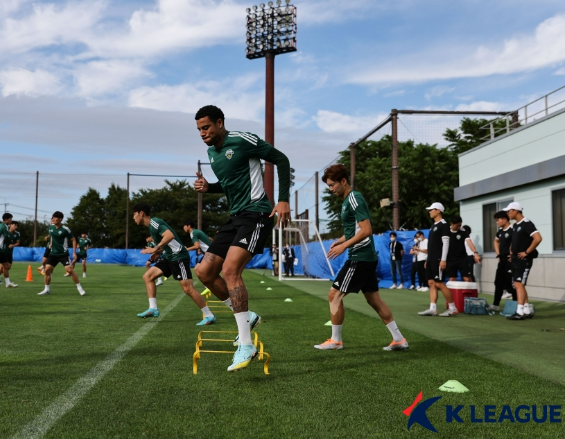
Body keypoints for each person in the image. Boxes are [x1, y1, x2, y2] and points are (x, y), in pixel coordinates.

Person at [193, 105, 292, 372]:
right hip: (235, 218)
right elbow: (229, 183)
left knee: (229, 270)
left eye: (207, 127)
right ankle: (247, 316)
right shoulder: (212, 153)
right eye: (199, 129)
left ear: (220, 123)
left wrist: (283, 200)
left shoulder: (242, 140)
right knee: (204, 272)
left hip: (256, 214)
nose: (203, 133)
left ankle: (246, 344)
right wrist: (209, 187)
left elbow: (281, 159)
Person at [314, 164, 408, 352]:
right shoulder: (346, 201)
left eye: (333, 185)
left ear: (343, 181)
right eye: (328, 186)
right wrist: (340, 240)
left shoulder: (354, 198)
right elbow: (353, 230)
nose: (331, 189)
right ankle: (399, 339)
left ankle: (336, 341)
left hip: (360, 257)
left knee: (334, 295)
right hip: (365, 257)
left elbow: (366, 230)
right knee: (374, 300)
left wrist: (344, 246)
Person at [134, 203, 215, 325]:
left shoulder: (154, 223)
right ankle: (153, 308)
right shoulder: (151, 227)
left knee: (188, 289)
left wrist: (155, 248)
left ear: (141, 213)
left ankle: (209, 316)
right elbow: (167, 242)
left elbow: (169, 235)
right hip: (168, 256)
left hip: (179, 257)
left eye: (134, 214)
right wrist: (159, 251)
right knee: (148, 276)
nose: (133, 218)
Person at [418, 203, 458, 317]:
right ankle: (433, 309)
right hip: (431, 259)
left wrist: (443, 260)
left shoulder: (444, 225)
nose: (429, 212)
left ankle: (452, 308)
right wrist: (427, 259)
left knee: (440, 283)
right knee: (431, 283)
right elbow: (432, 245)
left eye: (431, 210)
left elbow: (446, 243)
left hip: (438, 259)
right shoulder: (433, 226)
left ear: (438, 210)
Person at [505, 202, 541, 320]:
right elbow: (515, 241)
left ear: (516, 211)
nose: (507, 213)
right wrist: (512, 251)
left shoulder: (527, 224)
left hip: (524, 260)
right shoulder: (515, 225)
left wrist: (526, 252)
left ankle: (519, 312)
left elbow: (538, 238)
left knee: (519, 284)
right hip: (516, 259)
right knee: (517, 284)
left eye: (509, 211)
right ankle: (526, 309)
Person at [37, 212, 85, 296]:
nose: (53, 219)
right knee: (47, 270)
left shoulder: (65, 229)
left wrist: (74, 252)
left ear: (60, 219)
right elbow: (51, 235)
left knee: (70, 270)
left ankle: (79, 288)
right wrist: (51, 242)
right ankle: (46, 289)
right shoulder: (51, 227)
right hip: (53, 253)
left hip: (63, 254)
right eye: (53, 217)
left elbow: (73, 239)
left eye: (55, 218)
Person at [490, 210, 516, 311]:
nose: (497, 222)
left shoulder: (513, 229)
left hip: (511, 261)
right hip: (502, 261)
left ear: (505, 219)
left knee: (512, 284)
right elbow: (496, 241)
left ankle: (517, 305)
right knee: (498, 282)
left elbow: (517, 242)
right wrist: (498, 254)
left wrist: (513, 253)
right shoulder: (500, 232)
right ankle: (495, 305)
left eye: (498, 220)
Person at [445, 216, 480, 282]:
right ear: (452, 224)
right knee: (452, 279)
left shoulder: (463, 231)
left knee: (467, 278)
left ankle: (471, 291)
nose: (459, 227)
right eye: (457, 226)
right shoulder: (446, 231)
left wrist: (475, 253)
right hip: (450, 259)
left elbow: (469, 242)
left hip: (462, 259)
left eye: (460, 225)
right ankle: (453, 292)